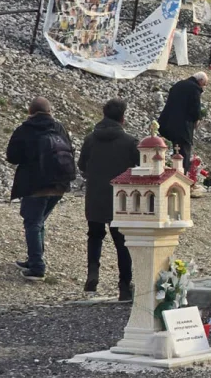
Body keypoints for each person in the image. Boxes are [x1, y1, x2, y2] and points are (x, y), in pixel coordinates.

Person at [6, 97, 76, 282]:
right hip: (59, 185)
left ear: (30, 111)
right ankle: (33, 259)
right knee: (38, 222)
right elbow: (70, 150)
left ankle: (37, 267)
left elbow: (12, 156)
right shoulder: (59, 127)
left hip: (35, 185)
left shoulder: (25, 129)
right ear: (50, 111)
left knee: (33, 223)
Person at [78, 98, 139, 301]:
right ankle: (124, 286)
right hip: (121, 199)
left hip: (95, 196)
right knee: (122, 243)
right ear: (123, 118)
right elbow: (140, 169)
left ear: (103, 114)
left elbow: (82, 165)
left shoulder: (90, 139)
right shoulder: (130, 142)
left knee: (95, 236)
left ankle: (93, 273)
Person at [158, 72, 207, 179]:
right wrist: (197, 119)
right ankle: (182, 179)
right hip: (183, 127)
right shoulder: (194, 88)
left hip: (169, 124)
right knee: (184, 153)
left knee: (176, 150)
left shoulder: (178, 84)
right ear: (200, 81)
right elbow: (195, 107)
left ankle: (175, 175)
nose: (203, 87)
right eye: (204, 84)